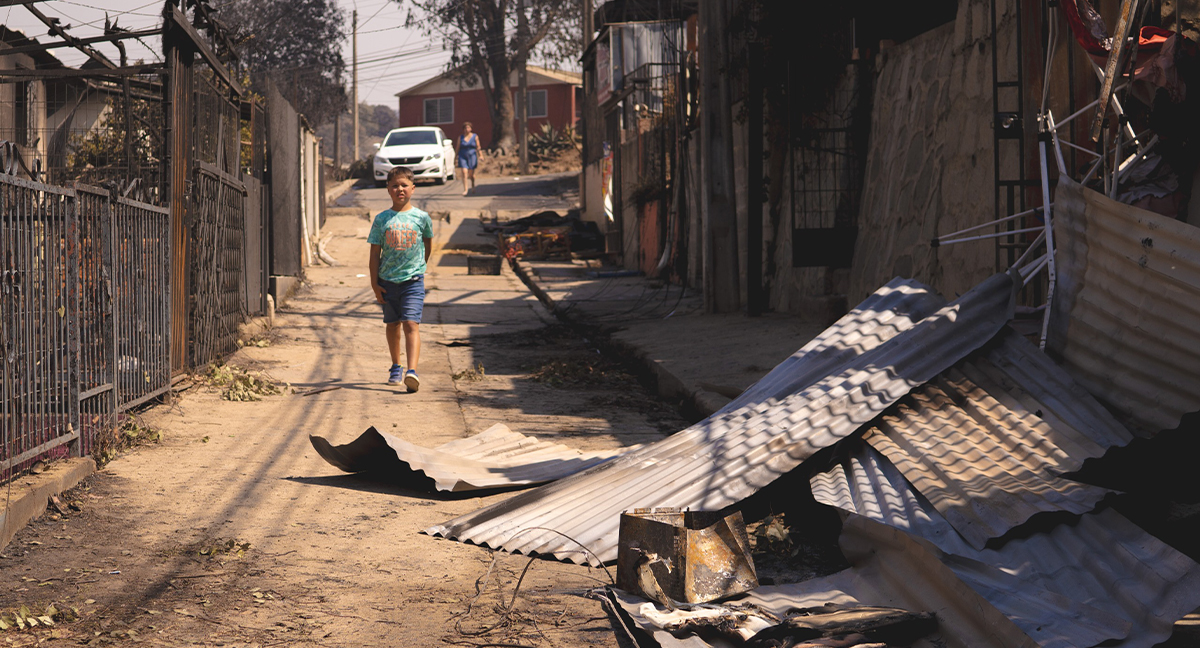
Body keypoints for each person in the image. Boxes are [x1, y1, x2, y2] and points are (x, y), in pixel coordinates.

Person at [368, 166, 433, 392]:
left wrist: (418, 267)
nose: (400, 189)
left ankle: (411, 371)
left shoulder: (422, 218)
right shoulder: (381, 219)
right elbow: (375, 254)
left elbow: (427, 245)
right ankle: (396, 365)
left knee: (411, 324)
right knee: (392, 324)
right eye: (395, 185)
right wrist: (375, 284)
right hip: (387, 282)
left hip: (413, 281)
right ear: (388, 189)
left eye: (404, 185)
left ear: (413, 188)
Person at [456, 122, 479, 196]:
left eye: (468, 128)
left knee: (471, 174)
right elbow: (457, 147)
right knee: (464, 172)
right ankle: (465, 189)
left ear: (471, 129)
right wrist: (455, 157)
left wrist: (481, 155)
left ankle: (472, 185)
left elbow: (478, 147)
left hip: (472, 156)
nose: (467, 129)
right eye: (465, 128)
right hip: (463, 156)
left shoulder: (475, 136)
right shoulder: (461, 137)